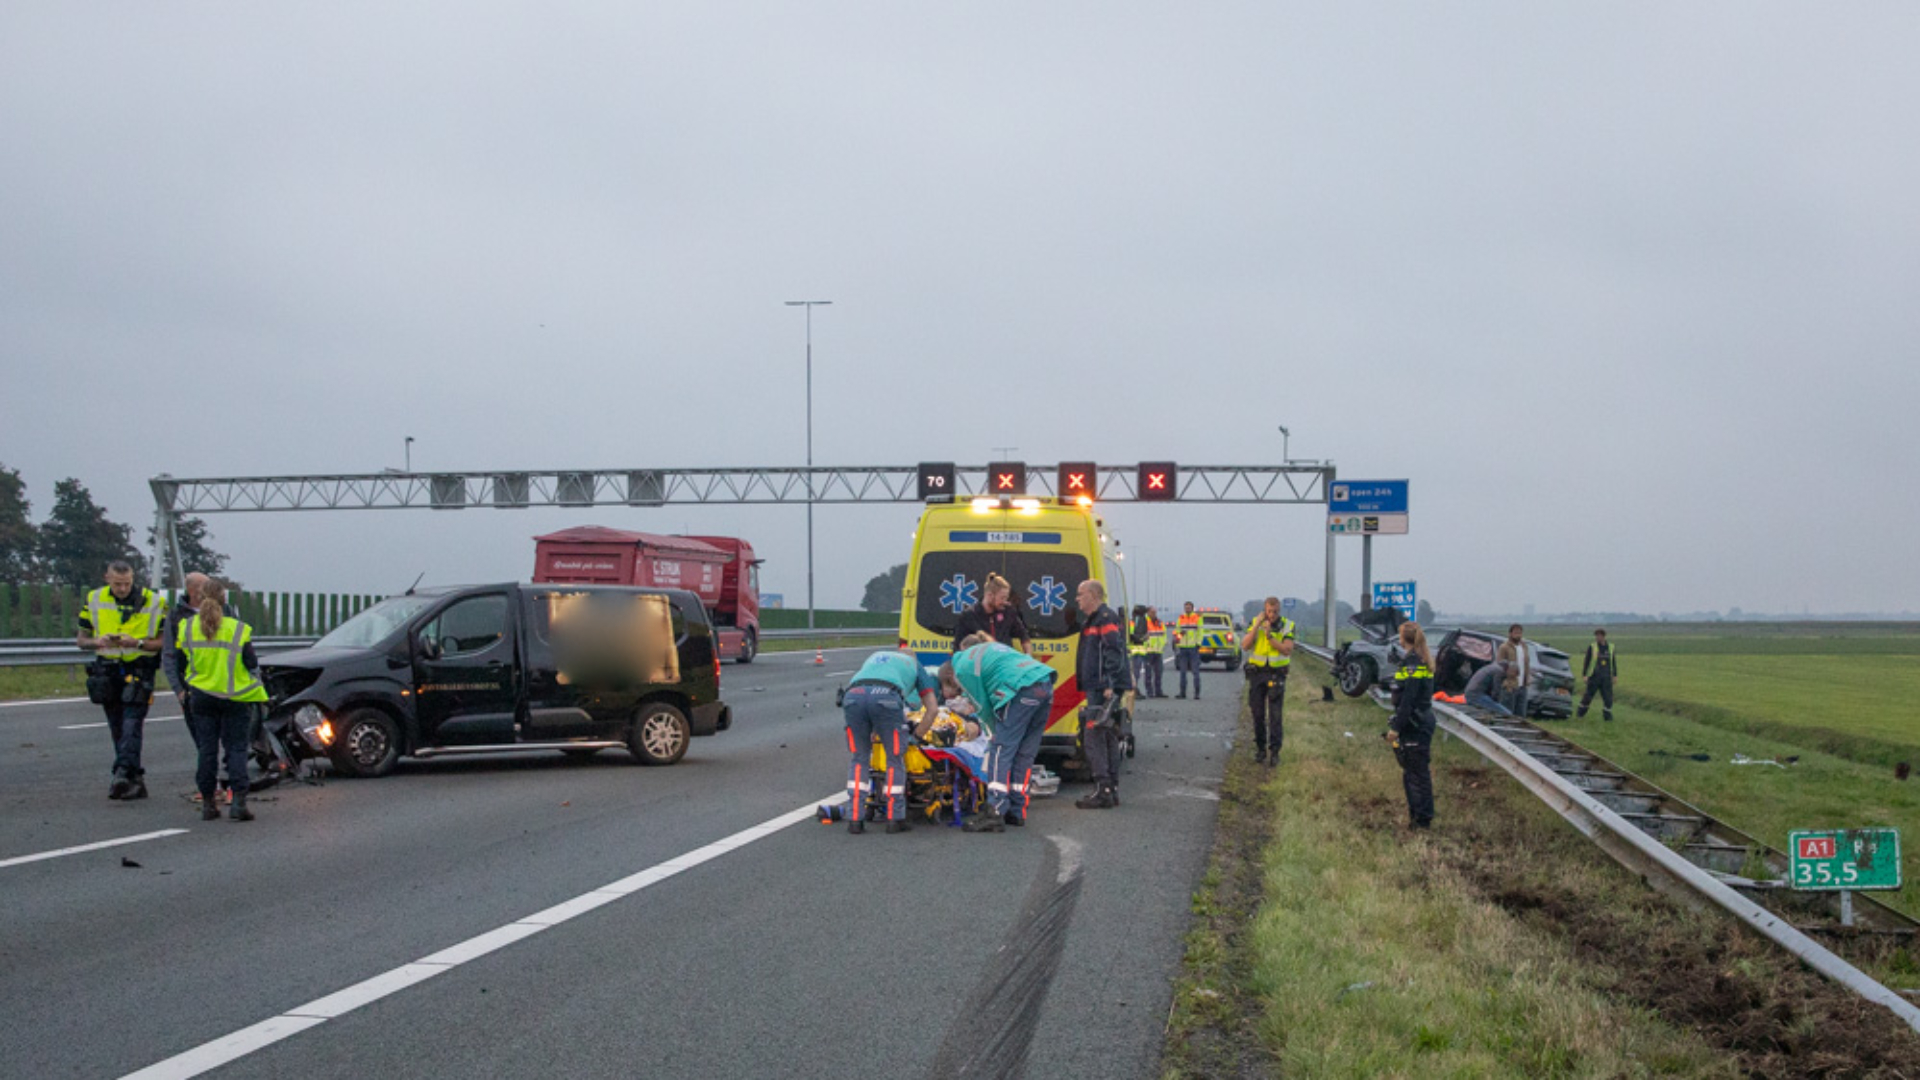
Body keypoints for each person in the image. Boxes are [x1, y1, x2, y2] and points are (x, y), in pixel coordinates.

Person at [938, 637, 1057, 832]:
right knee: (1024, 751)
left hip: (1020, 688)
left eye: (954, 689)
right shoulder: (985, 652)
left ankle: (995, 808)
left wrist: (991, 733)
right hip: (1044, 683)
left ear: (950, 677)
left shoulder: (962, 668)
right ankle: (1017, 810)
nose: (956, 693)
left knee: (1000, 749)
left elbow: (982, 706)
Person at [176, 579, 268, 822]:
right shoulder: (237, 628)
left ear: (199, 597)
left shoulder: (187, 627)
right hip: (234, 697)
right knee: (236, 748)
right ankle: (238, 802)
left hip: (201, 697)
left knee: (206, 750)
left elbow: (180, 662)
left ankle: (208, 804)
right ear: (224, 599)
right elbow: (251, 663)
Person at [76, 560, 168, 801]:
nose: (123, 589)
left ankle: (122, 772)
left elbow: (164, 641)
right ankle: (133, 780)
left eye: (127, 584)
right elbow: (81, 639)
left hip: (139, 669)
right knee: (117, 725)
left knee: (131, 723)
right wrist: (96, 642)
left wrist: (136, 643)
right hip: (106, 670)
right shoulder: (94, 598)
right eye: (118, 584)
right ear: (107, 578)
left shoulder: (154, 601)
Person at [841, 647, 942, 835]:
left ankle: (855, 818)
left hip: (853, 696)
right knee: (895, 758)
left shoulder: (876, 656)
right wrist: (915, 738)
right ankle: (895, 818)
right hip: (887, 697)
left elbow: (864, 692)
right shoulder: (915, 665)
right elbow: (933, 709)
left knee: (859, 758)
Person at [1073, 580, 1133, 810]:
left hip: (1102, 687)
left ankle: (1103, 788)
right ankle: (1110, 788)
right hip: (1100, 685)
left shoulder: (1104, 619)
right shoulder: (1096, 619)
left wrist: (1109, 682)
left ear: (1093, 595)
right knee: (1106, 735)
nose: (1077, 599)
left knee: (1095, 735)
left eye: (1081, 594)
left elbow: (1113, 650)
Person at [1387, 621, 1436, 829]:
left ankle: (1422, 819)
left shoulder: (1412, 664)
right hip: (1419, 720)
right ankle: (1418, 815)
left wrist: (1396, 727)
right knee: (1413, 771)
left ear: (1403, 638)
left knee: (1416, 773)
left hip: (1415, 723)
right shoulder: (1417, 660)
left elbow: (1408, 699)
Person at [1238, 597, 1296, 766]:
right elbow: (1245, 645)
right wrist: (1257, 626)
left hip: (1276, 674)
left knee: (1275, 715)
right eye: (1269, 611)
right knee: (1257, 713)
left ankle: (1275, 751)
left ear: (1279, 610)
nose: (1272, 615)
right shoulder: (1256, 623)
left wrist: (1269, 636)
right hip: (1257, 674)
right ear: (1265, 610)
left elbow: (1287, 650)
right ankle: (1261, 749)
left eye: (1275, 611)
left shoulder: (1287, 625)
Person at [950, 572, 1031, 653]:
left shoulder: (1008, 612)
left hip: (1004, 661)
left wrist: (1028, 657)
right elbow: (957, 649)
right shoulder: (969, 616)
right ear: (990, 595)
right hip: (981, 662)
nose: (1005, 602)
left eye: (1006, 598)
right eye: (1002, 598)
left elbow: (1024, 636)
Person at [1578, 629, 1620, 722]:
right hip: (1594, 676)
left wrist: (1615, 675)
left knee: (1608, 698)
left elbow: (1613, 662)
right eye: (1596, 636)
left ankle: (1607, 717)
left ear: (1604, 636)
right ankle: (1580, 714)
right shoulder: (1592, 647)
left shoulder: (1610, 647)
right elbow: (1587, 661)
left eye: (1599, 636)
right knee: (1588, 696)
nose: (1597, 638)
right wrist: (1584, 674)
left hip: (1606, 677)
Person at [1495, 623, 1532, 718]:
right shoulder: (1504, 647)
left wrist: (1527, 679)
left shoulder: (1524, 647)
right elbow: (1499, 666)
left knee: (1521, 715)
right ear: (1510, 634)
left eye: (1520, 633)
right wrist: (1504, 682)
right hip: (1509, 686)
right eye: (1515, 633)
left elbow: (1526, 664)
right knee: (1507, 714)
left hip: (1522, 686)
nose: (1518, 635)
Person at [1173, 601, 1203, 699]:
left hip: (1193, 647)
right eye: (1186, 607)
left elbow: (1200, 632)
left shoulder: (1197, 618)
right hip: (1183, 647)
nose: (1187, 609)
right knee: (1182, 672)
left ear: (1192, 608)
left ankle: (1197, 693)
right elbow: (1176, 632)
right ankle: (1182, 693)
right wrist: (1179, 635)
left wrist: (1198, 643)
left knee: (1195, 671)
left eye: (1189, 607)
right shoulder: (1181, 618)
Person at [1143, 607, 1167, 698]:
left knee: (1159, 672)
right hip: (1148, 651)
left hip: (1158, 651)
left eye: (1155, 612)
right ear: (1148, 612)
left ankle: (1158, 691)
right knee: (1148, 673)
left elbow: (1163, 634)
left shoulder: (1160, 622)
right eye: (1152, 612)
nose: (1154, 613)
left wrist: (1163, 644)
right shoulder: (1144, 622)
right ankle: (1150, 692)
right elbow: (1141, 636)